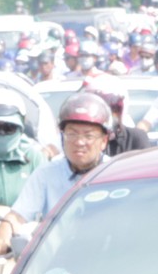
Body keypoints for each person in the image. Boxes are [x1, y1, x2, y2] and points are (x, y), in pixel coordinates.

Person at [10, 92, 113, 227]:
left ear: (104, 141)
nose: (79, 142)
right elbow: (17, 216)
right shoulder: (46, 174)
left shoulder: (114, 174)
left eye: (88, 136)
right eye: (72, 134)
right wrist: (4, 234)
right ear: (62, 137)